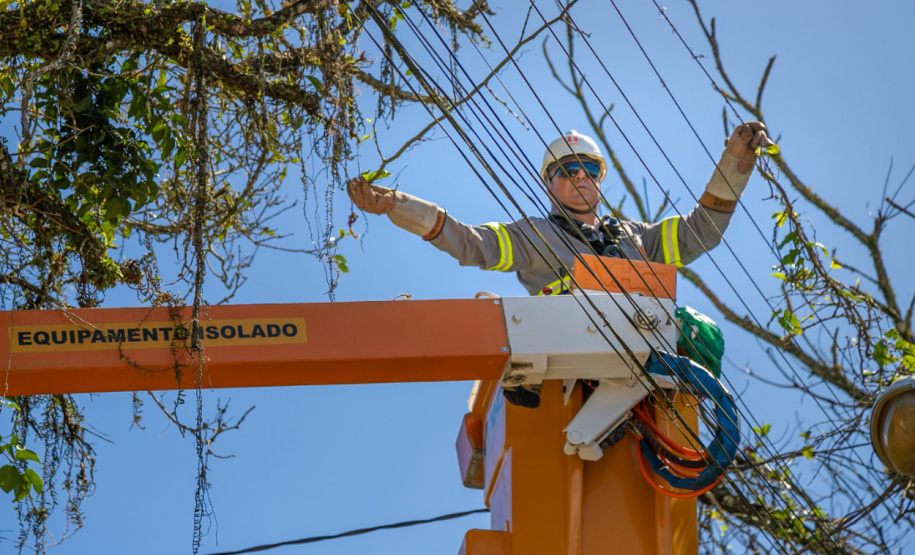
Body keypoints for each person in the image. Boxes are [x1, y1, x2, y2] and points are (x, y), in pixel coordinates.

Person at [347, 123, 772, 406]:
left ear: (599, 179)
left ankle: (686, 401)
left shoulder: (636, 237)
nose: (580, 176)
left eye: (588, 168)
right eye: (567, 170)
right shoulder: (534, 235)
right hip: (574, 351)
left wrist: (734, 167)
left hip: (644, 350)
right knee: (502, 313)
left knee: (702, 331)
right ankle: (525, 377)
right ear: (550, 184)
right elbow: (472, 243)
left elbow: (701, 232)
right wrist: (398, 206)